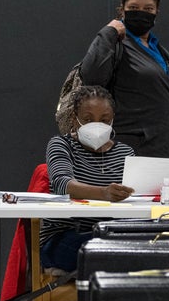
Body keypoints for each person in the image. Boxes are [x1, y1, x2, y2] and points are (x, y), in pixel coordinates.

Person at [79, 0, 169, 158]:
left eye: (148, 8)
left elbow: (160, 92)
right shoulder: (115, 43)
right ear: (122, 10)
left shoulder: (158, 49)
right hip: (130, 152)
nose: (141, 13)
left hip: (166, 150)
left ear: (157, 11)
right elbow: (91, 78)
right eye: (134, 8)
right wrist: (108, 33)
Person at [39, 85, 135, 272]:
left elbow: (139, 193)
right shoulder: (61, 145)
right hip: (65, 237)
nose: (97, 126)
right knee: (115, 251)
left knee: (156, 242)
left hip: (112, 232)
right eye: (88, 120)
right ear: (75, 120)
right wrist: (104, 193)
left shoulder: (125, 153)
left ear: (113, 121)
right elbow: (61, 183)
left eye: (105, 120)